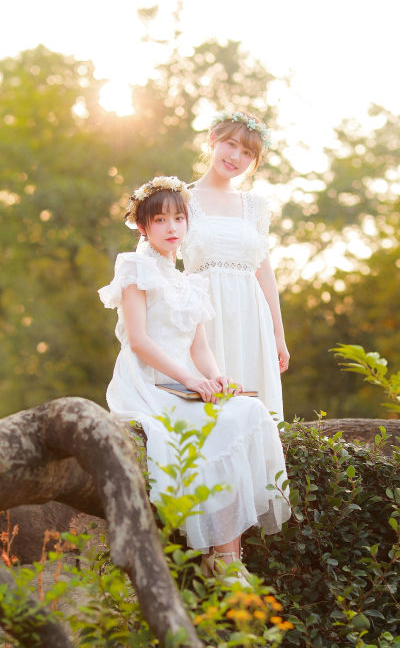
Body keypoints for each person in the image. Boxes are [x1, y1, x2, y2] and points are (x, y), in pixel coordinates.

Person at [98, 175, 290, 582]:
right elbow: (140, 342)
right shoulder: (134, 269)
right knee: (213, 427)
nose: (171, 228)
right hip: (148, 382)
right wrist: (191, 381)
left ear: (188, 224)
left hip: (186, 382)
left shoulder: (190, 281)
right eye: (161, 220)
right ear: (142, 226)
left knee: (249, 412)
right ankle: (224, 561)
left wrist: (218, 378)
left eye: (179, 219)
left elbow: (200, 348)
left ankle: (226, 559)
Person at [182, 111, 290, 422]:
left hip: (250, 316)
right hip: (205, 315)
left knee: (253, 409)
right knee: (207, 413)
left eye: (247, 153)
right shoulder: (182, 199)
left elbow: (264, 273)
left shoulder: (255, 205)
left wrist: (278, 335)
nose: (236, 157)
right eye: (231, 145)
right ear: (213, 140)